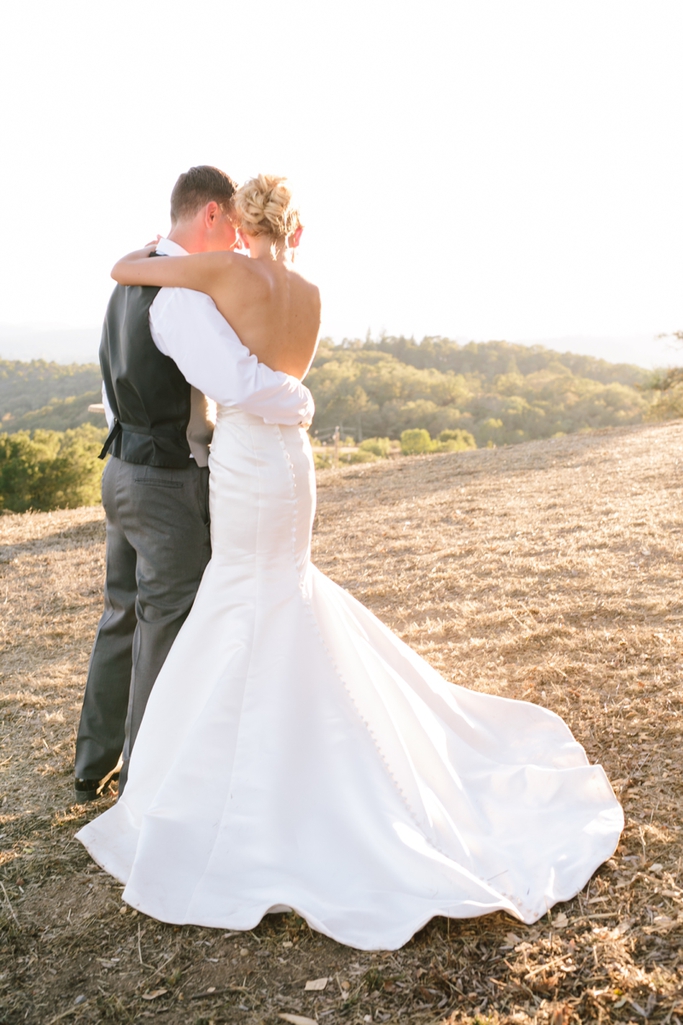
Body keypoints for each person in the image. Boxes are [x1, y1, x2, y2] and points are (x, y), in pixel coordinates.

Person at [77, 174, 623, 951]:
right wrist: (295, 402)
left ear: (237, 224)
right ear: (294, 232)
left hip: (243, 457)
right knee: (273, 592)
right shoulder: (312, 291)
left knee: (242, 595)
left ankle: (207, 784)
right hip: (289, 461)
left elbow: (140, 282)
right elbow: (286, 383)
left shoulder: (225, 272)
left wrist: (149, 256)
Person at [74, 166, 314, 802]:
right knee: (168, 625)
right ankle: (146, 779)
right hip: (163, 484)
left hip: (118, 468)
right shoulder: (179, 295)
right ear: (211, 214)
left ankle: (91, 763)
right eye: (231, 225)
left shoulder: (134, 283)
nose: (237, 239)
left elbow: (113, 385)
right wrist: (299, 399)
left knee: (120, 615)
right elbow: (234, 382)